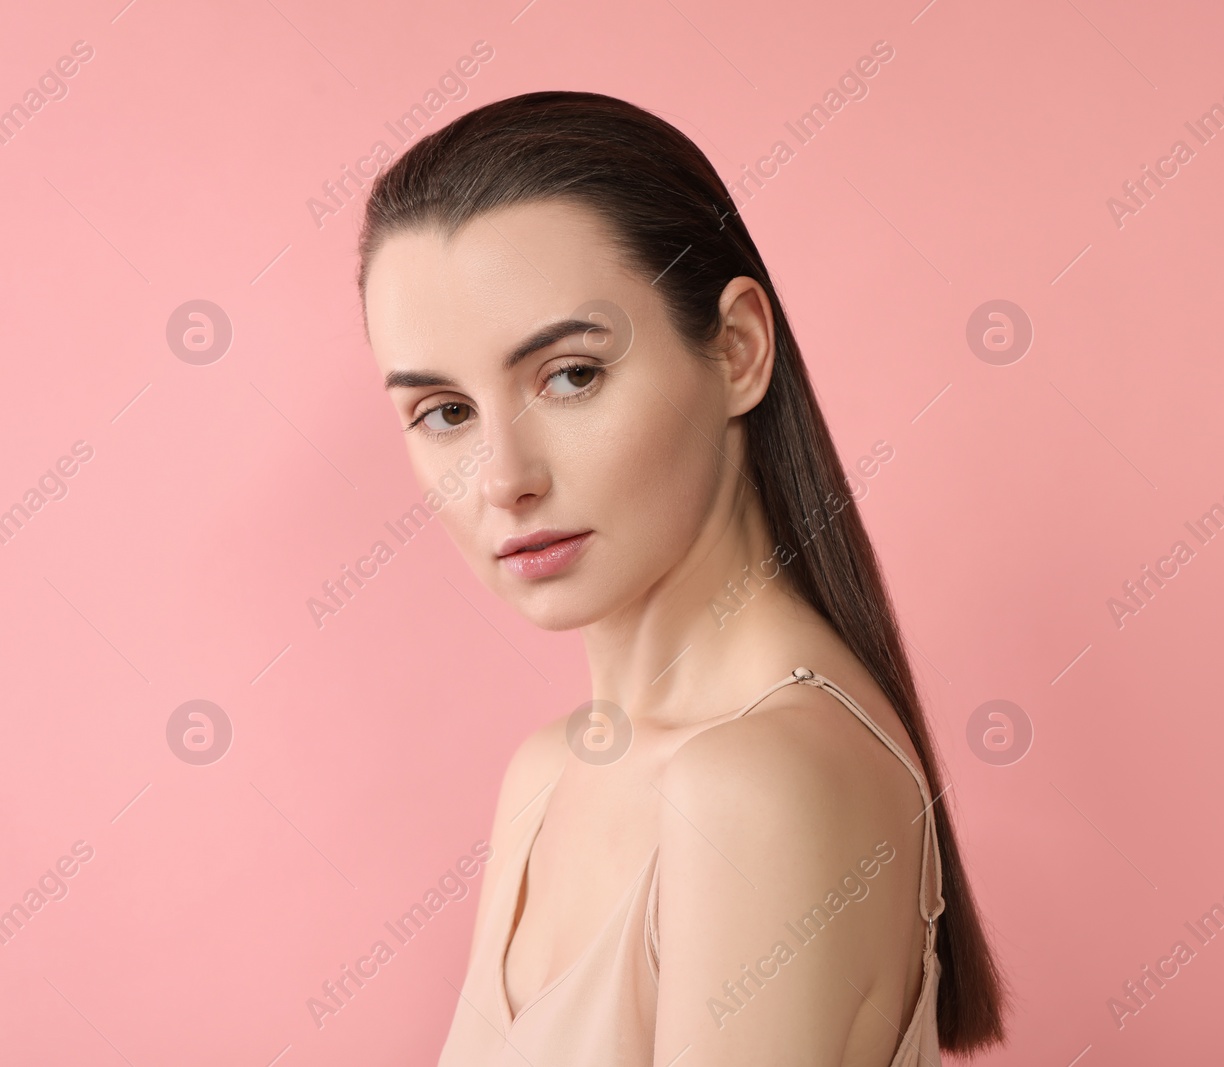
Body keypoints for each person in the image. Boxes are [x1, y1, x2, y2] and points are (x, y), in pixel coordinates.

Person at [357, 90, 1005, 1066]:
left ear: (738, 349)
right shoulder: (550, 772)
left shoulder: (756, 786)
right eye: (444, 410)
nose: (504, 478)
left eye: (571, 374)